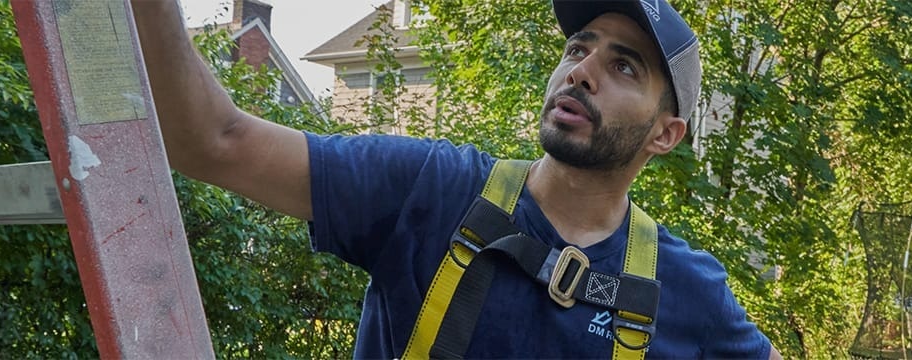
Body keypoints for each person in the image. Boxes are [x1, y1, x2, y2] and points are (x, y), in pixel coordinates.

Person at [131, 0, 779, 358]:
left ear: (666, 133)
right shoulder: (429, 192)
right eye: (578, 48)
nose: (582, 71)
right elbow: (210, 141)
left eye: (625, 67)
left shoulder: (683, 292)